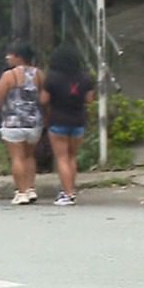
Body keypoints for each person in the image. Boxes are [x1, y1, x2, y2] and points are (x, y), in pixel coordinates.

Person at [0, 41, 44, 205]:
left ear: (18, 57)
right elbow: (44, 98)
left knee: (17, 158)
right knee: (29, 156)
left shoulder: (8, 76)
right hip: (34, 123)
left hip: (13, 123)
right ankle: (31, 188)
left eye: (10, 54)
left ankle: (21, 192)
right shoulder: (39, 74)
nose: (7, 57)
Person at [42, 46, 95, 206]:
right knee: (72, 157)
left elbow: (43, 100)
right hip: (78, 121)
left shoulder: (51, 78)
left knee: (62, 158)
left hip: (58, 120)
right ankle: (70, 189)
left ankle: (67, 193)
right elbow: (89, 100)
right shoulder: (86, 78)